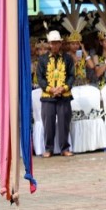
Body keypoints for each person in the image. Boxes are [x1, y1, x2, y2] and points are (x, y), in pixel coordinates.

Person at [37, 30, 75, 158]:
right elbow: (40, 78)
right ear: (49, 44)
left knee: (64, 122)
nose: (55, 46)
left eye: (57, 43)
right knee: (48, 123)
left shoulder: (68, 58)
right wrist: (50, 89)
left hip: (64, 96)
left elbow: (71, 76)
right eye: (52, 43)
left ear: (60, 43)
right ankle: (49, 148)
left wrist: (63, 88)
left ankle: (65, 148)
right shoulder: (42, 60)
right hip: (48, 96)